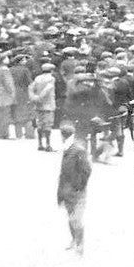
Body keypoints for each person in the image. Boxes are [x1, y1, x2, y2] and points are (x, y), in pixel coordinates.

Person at [56, 124, 91, 255]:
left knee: (75, 219)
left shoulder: (77, 150)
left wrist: (79, 186)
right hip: (67, 190)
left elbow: (87, 170)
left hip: (76, 191)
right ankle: (74, 240)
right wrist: (60, 193)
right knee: (71, 217)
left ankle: (80, 244)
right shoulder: (67, 149)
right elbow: (62, 174)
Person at [28, 64, 58, 152]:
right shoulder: (51, 79)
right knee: (48, 125)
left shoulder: (37, 78)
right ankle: (48, 145)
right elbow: (47, 90)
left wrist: (34, 97)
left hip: (38, 105)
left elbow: (30, 88)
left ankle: (40, 144)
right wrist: (40, 97)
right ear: (51, 70)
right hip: (48, 104)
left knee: (39, 124)